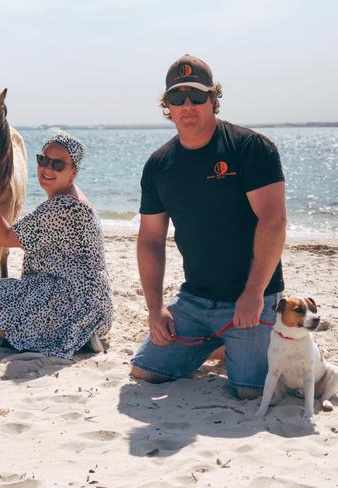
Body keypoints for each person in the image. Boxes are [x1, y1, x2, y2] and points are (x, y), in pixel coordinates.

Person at [130, 54, 287, 399]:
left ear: (213, 100)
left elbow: (273, 222)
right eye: (177, 97)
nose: (188, 105)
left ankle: (265, 340)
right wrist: (155, 309)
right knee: (145, 370)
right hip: (195, 302)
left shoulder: (250, 149)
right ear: (167, 105)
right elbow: (151, 240)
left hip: (251, 300)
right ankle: (219, 344)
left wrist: (254, 294)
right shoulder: (159, 165)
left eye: (197, 96)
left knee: (249, 391)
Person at [0, 131, 113, 359]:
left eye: (58, 164)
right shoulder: (70, 197)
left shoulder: (64, 206)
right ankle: (69, 334)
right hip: (87, 301)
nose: (47, 169)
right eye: (43, 160)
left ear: (73, 173)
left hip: (75, 300)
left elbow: (5, 238)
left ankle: (59, 335)